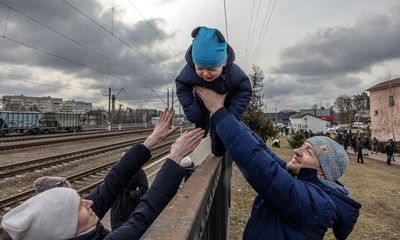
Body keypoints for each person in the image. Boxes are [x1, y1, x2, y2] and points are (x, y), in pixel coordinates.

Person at [1, 109, 205, 240]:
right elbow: (142, 218)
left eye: (81, 199)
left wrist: (150, 141)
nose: (89, 202)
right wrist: (174, 158)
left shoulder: (75, 227)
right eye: (80, 206)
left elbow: (111, 184)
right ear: (65, 230)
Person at [196, 86, 361, 240]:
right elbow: (260, 149)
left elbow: (260, 165)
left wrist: (218, 110)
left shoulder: (315, 203)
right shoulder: (303, 182)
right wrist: (227, 113)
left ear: (323, 172)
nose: (297, 151)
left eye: (308, 152)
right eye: (302, 146)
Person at [176, 26, 252, 156]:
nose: (206, 74)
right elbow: (181, 85)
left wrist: (232, 114)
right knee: (198, 117)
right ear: (194, 63)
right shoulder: (189, 71)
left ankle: (218, 149)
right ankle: (202, 130)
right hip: (201, 99)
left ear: (223, 62)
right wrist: (191, 108)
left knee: (220, 125)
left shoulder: (233, 74)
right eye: (200, 68)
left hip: (225, 102)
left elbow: (245, 90)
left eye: (211, 69)